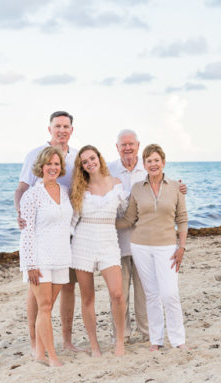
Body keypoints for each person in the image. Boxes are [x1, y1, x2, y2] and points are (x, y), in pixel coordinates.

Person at [108, 129, 188, 344]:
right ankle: (137, 338)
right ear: (117, 147)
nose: (153, 164)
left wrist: (181, 246)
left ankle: (165, 338)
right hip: (127, 245)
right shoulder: (115, 175)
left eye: (156, 160)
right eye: (123, 144)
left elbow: (180, 216)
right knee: (131, 294)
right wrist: (97, 222)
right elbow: (126, 218)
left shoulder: (170, 186)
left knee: (161, 294)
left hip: (161, 245)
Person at [14, 111, 80, 355]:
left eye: (66, 126)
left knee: (68, 286)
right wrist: (21, 215)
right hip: (41, 231)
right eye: (57, 126)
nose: (62, 130)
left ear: (71, 129)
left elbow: (88, 185)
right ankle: (36, 344)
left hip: (66, 233)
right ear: (49, 129)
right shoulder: (36, 155)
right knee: (37, 291)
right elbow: (21, 188)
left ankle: (67, 340)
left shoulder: (76, 156)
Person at [70, 145, 127, 356]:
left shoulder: (116, 184)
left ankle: (119, 341)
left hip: (108, 240)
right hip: (83, 242)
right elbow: (71, 222)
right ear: (81, 166)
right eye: (84, 162)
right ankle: (94, 345)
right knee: (87, 298)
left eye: (92, 158)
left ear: (99, 158)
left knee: (118, 294)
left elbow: (127, 212)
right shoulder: (79, 189)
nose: (89, 163)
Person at [19, 146, 73, 367]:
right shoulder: (31, 195)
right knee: (45, 307)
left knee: (48, 306)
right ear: (41, 167)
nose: (53, 167)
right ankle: (52, 356)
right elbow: (27, 232)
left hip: (61, 256)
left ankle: (39, 353)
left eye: (56, 164)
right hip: (39, 259)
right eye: (49, 164)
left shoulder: (64, 191)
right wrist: (30, 264)